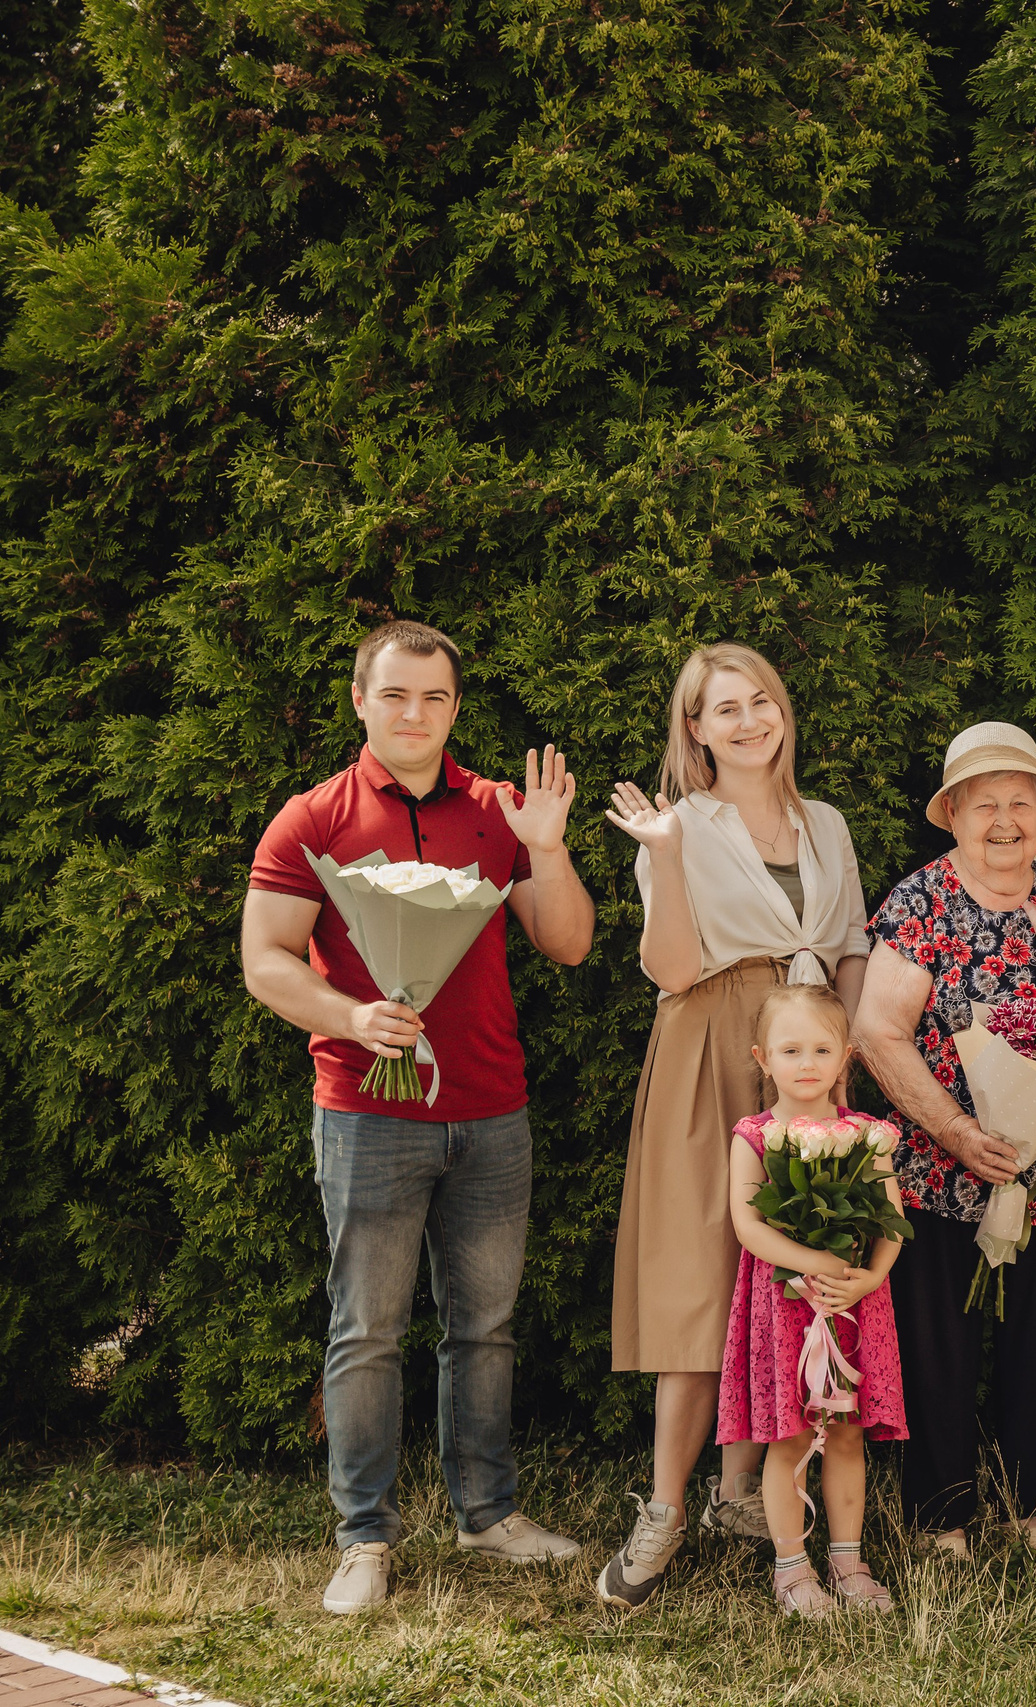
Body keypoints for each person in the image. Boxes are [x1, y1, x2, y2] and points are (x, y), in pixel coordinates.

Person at [240, 620, 594, 1615]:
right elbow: (265, 959)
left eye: (434, 698)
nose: (414, 713)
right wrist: (353, 1017)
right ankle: (365, 1539)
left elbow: (566, 944)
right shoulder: (312, 818)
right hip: (368, 1113)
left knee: (484, 1325)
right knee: (368, 1330)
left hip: (491, 1108)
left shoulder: (498, 810)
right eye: (396, 695)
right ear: (361, 700)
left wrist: (550, 848)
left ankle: (486, 1515)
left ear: (454, 708)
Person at [595, 644, 874, 1609]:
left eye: (763, 700)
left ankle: (745, 1496)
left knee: (791, 1272)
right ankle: (664, 1509)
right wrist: (664, 859)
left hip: (807, 1058)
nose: (750, 719)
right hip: (710, 1039)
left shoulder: (826, 823)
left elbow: (848, 957)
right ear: (696, 730)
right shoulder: (681, 825)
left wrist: (844, 1082)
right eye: (725, 709)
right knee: (697, 1277)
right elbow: (671, 967)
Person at [854, 723, 1036, 1557]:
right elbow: (877, 1032)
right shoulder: (920, 901)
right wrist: (956, 1129)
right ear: (954, 815)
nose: (1006, 820)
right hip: (943, 1168)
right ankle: (943, 1515)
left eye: (1021, 801)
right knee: (938, 1341)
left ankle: (1025, 1502)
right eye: (986, 804)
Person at [719, 984, 907, 1616]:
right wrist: (814, 1263)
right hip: (786, 1305)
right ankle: (793, 1570)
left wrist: (870, 1277)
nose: (807, 1063)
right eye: (790, 1049)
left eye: (822, 1049)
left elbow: (891, 1221)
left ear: (846, 1057)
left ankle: (849, 1562)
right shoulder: (755, 1136)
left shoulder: (868, 1136)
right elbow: (749, 1225)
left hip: (855, 1305)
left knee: (848, 1434)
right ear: (761, 1058)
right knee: (791, 1436)